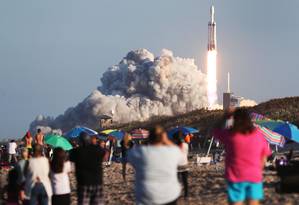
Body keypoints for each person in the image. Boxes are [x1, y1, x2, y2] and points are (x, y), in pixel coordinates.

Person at [213, 108, 271, 205]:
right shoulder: (258, 135)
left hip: (235, 177)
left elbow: (215, 130)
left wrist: (225, 116)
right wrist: (258, 169)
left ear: (234, 120)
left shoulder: (230, 135)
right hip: (254, 176)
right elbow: (264, 156)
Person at [128, 125, 184, 205]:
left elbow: (130, 153)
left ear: (150, 138)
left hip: (146, 197)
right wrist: (166, 140)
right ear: (163, 137)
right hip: (169, 195)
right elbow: (180, 153)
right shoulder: (173, 152)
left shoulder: (140, 153)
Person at [70, 132, 105, 205]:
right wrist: (94, 144)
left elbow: (70, 156)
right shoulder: (98, 149)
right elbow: (103, 153)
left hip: (83, 183)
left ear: (80, 141)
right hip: (97, 182)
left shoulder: (76, 152)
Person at [173, 131, 189, 198]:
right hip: (185, 165)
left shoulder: (174, 146)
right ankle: (186, 194)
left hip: (177, 166)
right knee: (185, 181)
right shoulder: (186, 145)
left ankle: (177, 194)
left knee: (177, 181)